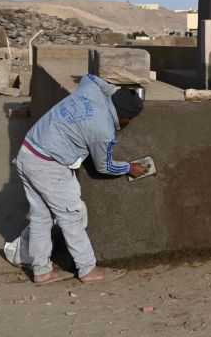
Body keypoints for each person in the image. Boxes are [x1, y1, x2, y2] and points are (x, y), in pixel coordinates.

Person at [13, 74, 148, 285]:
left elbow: (91, 77)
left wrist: (114, 91)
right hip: (50, 165)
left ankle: (42, 271)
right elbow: (105, 166)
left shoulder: (91, 90)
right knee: (72, 216)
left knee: (41, 217)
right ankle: (88, 269)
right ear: (125, 118)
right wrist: (129, 167)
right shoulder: (103, 131)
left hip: (28, 152)